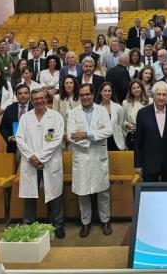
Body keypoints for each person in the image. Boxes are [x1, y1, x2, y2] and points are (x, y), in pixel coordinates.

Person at [15, 88, 65, 239]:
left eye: (41, 98)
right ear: (31, 100)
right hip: (30, 162)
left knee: (55, 194)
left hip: (50, 161)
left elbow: (56, 140)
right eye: (35, 98)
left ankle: (58, 225)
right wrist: (32, 157)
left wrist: (40, 158)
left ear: (46, 99)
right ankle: (29, 223)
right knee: (30, 195)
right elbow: (19, 139)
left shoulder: (56, 117)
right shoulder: (25, 118)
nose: (39, 101)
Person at [66, 84, 113, 237]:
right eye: (82, 95)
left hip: (98, 158)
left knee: (103, 192)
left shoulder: (102, 111)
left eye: (87, 94)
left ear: (93, 95)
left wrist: (86, 135)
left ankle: (105, 220)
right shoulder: (73, 113)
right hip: (82, 158)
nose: (85, 97)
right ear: (79, 97)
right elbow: (71, 136)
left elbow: (109, 130)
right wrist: (93, 137)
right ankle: (85, 223)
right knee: (83, 193)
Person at [134, 82, 167, 181]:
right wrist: (137, 164)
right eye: (159, 94)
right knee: (150, 194)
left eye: (164, 94)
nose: (161, 97)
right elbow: (138, 142)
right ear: (153, 95)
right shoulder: (142, 113)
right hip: (149, 163)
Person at [0, 84, 32, 154]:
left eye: (26, 93)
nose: (23, 95)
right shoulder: (9, 109)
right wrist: (9, 138)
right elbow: (3, 128)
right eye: (20, 93)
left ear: (29, 95)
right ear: (16, 95)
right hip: (14, 146)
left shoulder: (35, 108)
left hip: (32, 146)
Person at [96, 82, 125, 151]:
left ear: (112, 93)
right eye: (105, 91)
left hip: (116, 142)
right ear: (100, 92)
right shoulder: (95, 108)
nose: (107, 93)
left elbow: (120, 125)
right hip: (101, 142)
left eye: (109, 91)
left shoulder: (118, 108)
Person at [123, 79, 149, 150]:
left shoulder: (150, 101)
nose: (136, 89)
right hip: (132, 135)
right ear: (131, 91)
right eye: (134, 88)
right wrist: (127, 125)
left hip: (146, 134)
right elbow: (123, 121)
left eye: (138, 87)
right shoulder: (125, 103)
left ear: (142, 88)